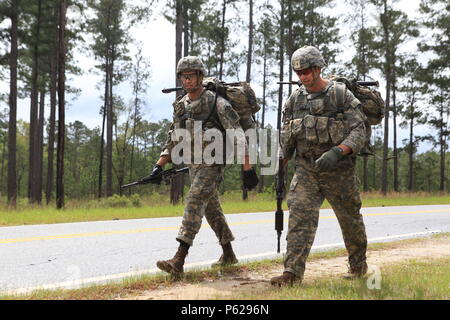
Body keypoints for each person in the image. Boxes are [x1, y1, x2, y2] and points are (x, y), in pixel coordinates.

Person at [149, 56, 259, 275]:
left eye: (191, 76)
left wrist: (247, 167)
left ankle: (178, 259)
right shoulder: (181, 105)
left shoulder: (217, 103)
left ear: (200, 76)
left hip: (213, 163)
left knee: (194, 200)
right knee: (210, 208)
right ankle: (228, 253)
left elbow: (237, 134)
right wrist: (159, 165)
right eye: (184, 76)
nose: (187, 80)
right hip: (193, 163)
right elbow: (173, 138)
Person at [270, 46, 368, 286]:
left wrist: (338, 152)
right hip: (306, 169)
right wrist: (280, 167)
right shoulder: (295, 99)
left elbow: (359, 130)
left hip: (339, 170)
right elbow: (287, 137)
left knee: (350, 219)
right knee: (299, 218)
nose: (303, 76)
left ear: (318, 68)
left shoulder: (340, 95)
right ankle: (291, 273)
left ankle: (358, 266)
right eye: (299, 72)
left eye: (307, 71)